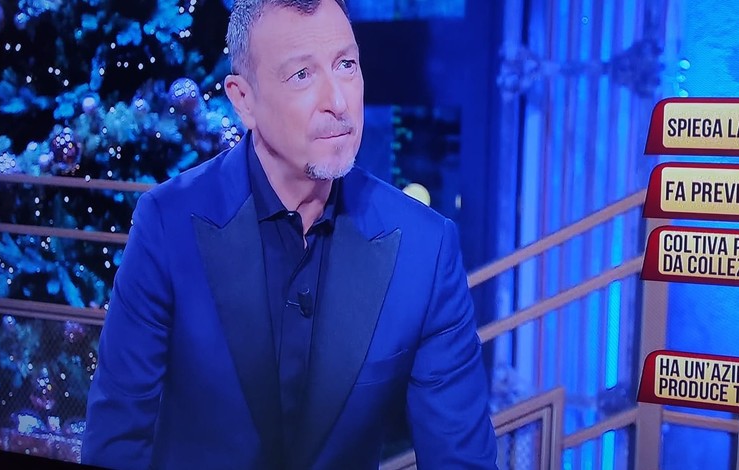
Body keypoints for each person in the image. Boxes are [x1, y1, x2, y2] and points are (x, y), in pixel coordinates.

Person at [81, 0, 498, 468]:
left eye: (346, 65)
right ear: (244, 100)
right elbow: (116, 442)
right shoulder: (168, 224)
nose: (338, 102)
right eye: (302, 75)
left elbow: (462, 459)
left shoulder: (425, 248)